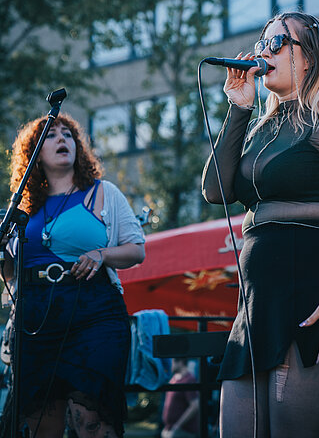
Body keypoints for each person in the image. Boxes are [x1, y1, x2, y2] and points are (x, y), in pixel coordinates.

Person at [202, 11, 319, 438]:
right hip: (257, 302)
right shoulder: (261, 127)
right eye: (261, 43)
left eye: (277, 43)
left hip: (314, 293)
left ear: (310, 57)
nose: (263, 53)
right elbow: (215, 191)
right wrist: (239, 109)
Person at [2, 113, 145, 437]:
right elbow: (10, 274)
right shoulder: (21, 209)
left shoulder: (103, 192)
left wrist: (102, 254)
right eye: (51, 135)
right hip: (35, 319)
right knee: (40, 423)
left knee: (92, 419)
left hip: (93, 313)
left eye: (67, 134)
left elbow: (137, 250)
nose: (62, 139)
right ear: (34, 153)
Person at [161, 358, 200, 438]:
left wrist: (177, 426)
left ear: (180, 362)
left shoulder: (189, 380)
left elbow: (195, 406)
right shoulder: (173, 379)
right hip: (169, 429)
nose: (170, 365)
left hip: (182, 431)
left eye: (172, 362)